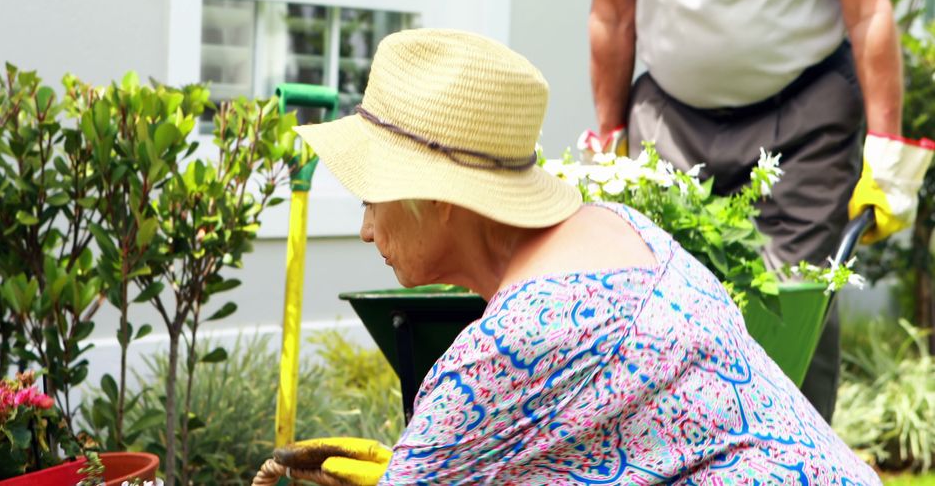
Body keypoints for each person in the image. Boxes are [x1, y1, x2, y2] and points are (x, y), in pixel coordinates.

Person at [261, 28, 879, 484]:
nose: (366, 229)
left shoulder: (497, 355)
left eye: (373, 196)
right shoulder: (625, 231)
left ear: (439, 196)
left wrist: (427, 461)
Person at [569, 0, 934, 423]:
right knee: (662, 315)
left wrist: (887, 152)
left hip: (804, 117)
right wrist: (610, 141)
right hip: (668, 115)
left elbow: (868, 10)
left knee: (786, 316)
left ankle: (800, 467)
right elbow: (611, 15)